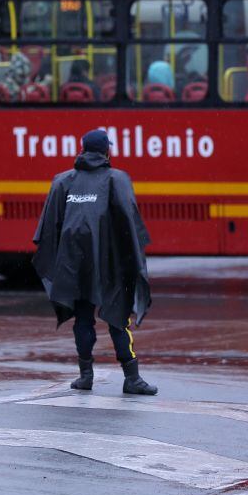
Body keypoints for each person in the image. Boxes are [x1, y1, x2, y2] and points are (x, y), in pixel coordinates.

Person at [33, 130, 157, 396]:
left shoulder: (62, 181)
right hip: (110, 264)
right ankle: (132, 377)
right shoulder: (117, 179)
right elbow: (130, 222)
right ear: (106, 152)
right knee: (117, 318)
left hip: (74, 263)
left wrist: (60, 262)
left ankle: (85, 375)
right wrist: (132, 262)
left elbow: (49, 228)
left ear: (82, 149)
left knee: (83, 319)